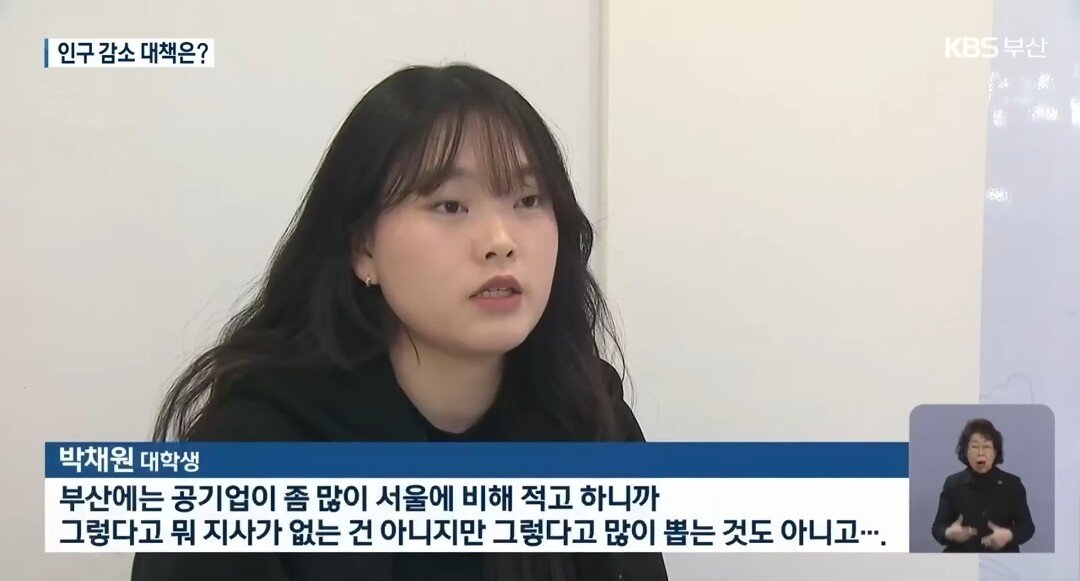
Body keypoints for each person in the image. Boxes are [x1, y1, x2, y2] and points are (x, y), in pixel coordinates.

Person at [129, 63, 668, 581]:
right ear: (363, 247)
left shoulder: (591, 424)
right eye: (450, 206)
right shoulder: (245, 460)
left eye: (528, 199)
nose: (501, 241)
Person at [930, 418, 1035, 553]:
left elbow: (1027, 526)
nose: (980, 452)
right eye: (974, 447)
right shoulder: (953, 483)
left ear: (995, 452)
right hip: (962, 556)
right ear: (966, 452)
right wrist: (949, 533)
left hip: (1001, 558)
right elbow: (937, 527)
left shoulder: (1012, 484)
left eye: (986, 447)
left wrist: (1009, 535)